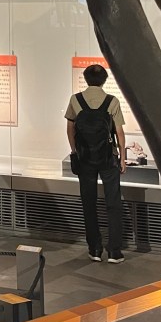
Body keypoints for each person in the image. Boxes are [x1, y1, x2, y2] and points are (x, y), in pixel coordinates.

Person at [65, 63, 127, 263]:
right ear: (104, 80)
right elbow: (119, 132)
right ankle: (114, 251)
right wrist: (122, 158)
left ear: (85, 78)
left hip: (85, 159)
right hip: (108, 158)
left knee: (88, 203)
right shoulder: (112, 101)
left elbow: (70, 129)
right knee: (113, 203)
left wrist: (75, 151)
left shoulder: (75, 100)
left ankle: (95, 249)